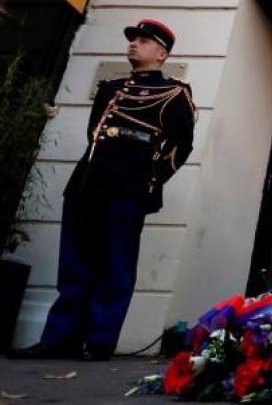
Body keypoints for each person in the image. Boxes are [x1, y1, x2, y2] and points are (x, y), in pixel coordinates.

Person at [10, 19, 196, 361]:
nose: (133, 44)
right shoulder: (111, 88)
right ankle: (59, 338)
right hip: (87, 184)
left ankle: (98, 341)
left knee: (115, 267)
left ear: (161, 53)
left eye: (143, 40)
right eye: (132, 39)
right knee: (75, 266)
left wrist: (148, 181)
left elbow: (180, 147)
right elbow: (94, 133)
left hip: (128, 190)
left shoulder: (175, 94)